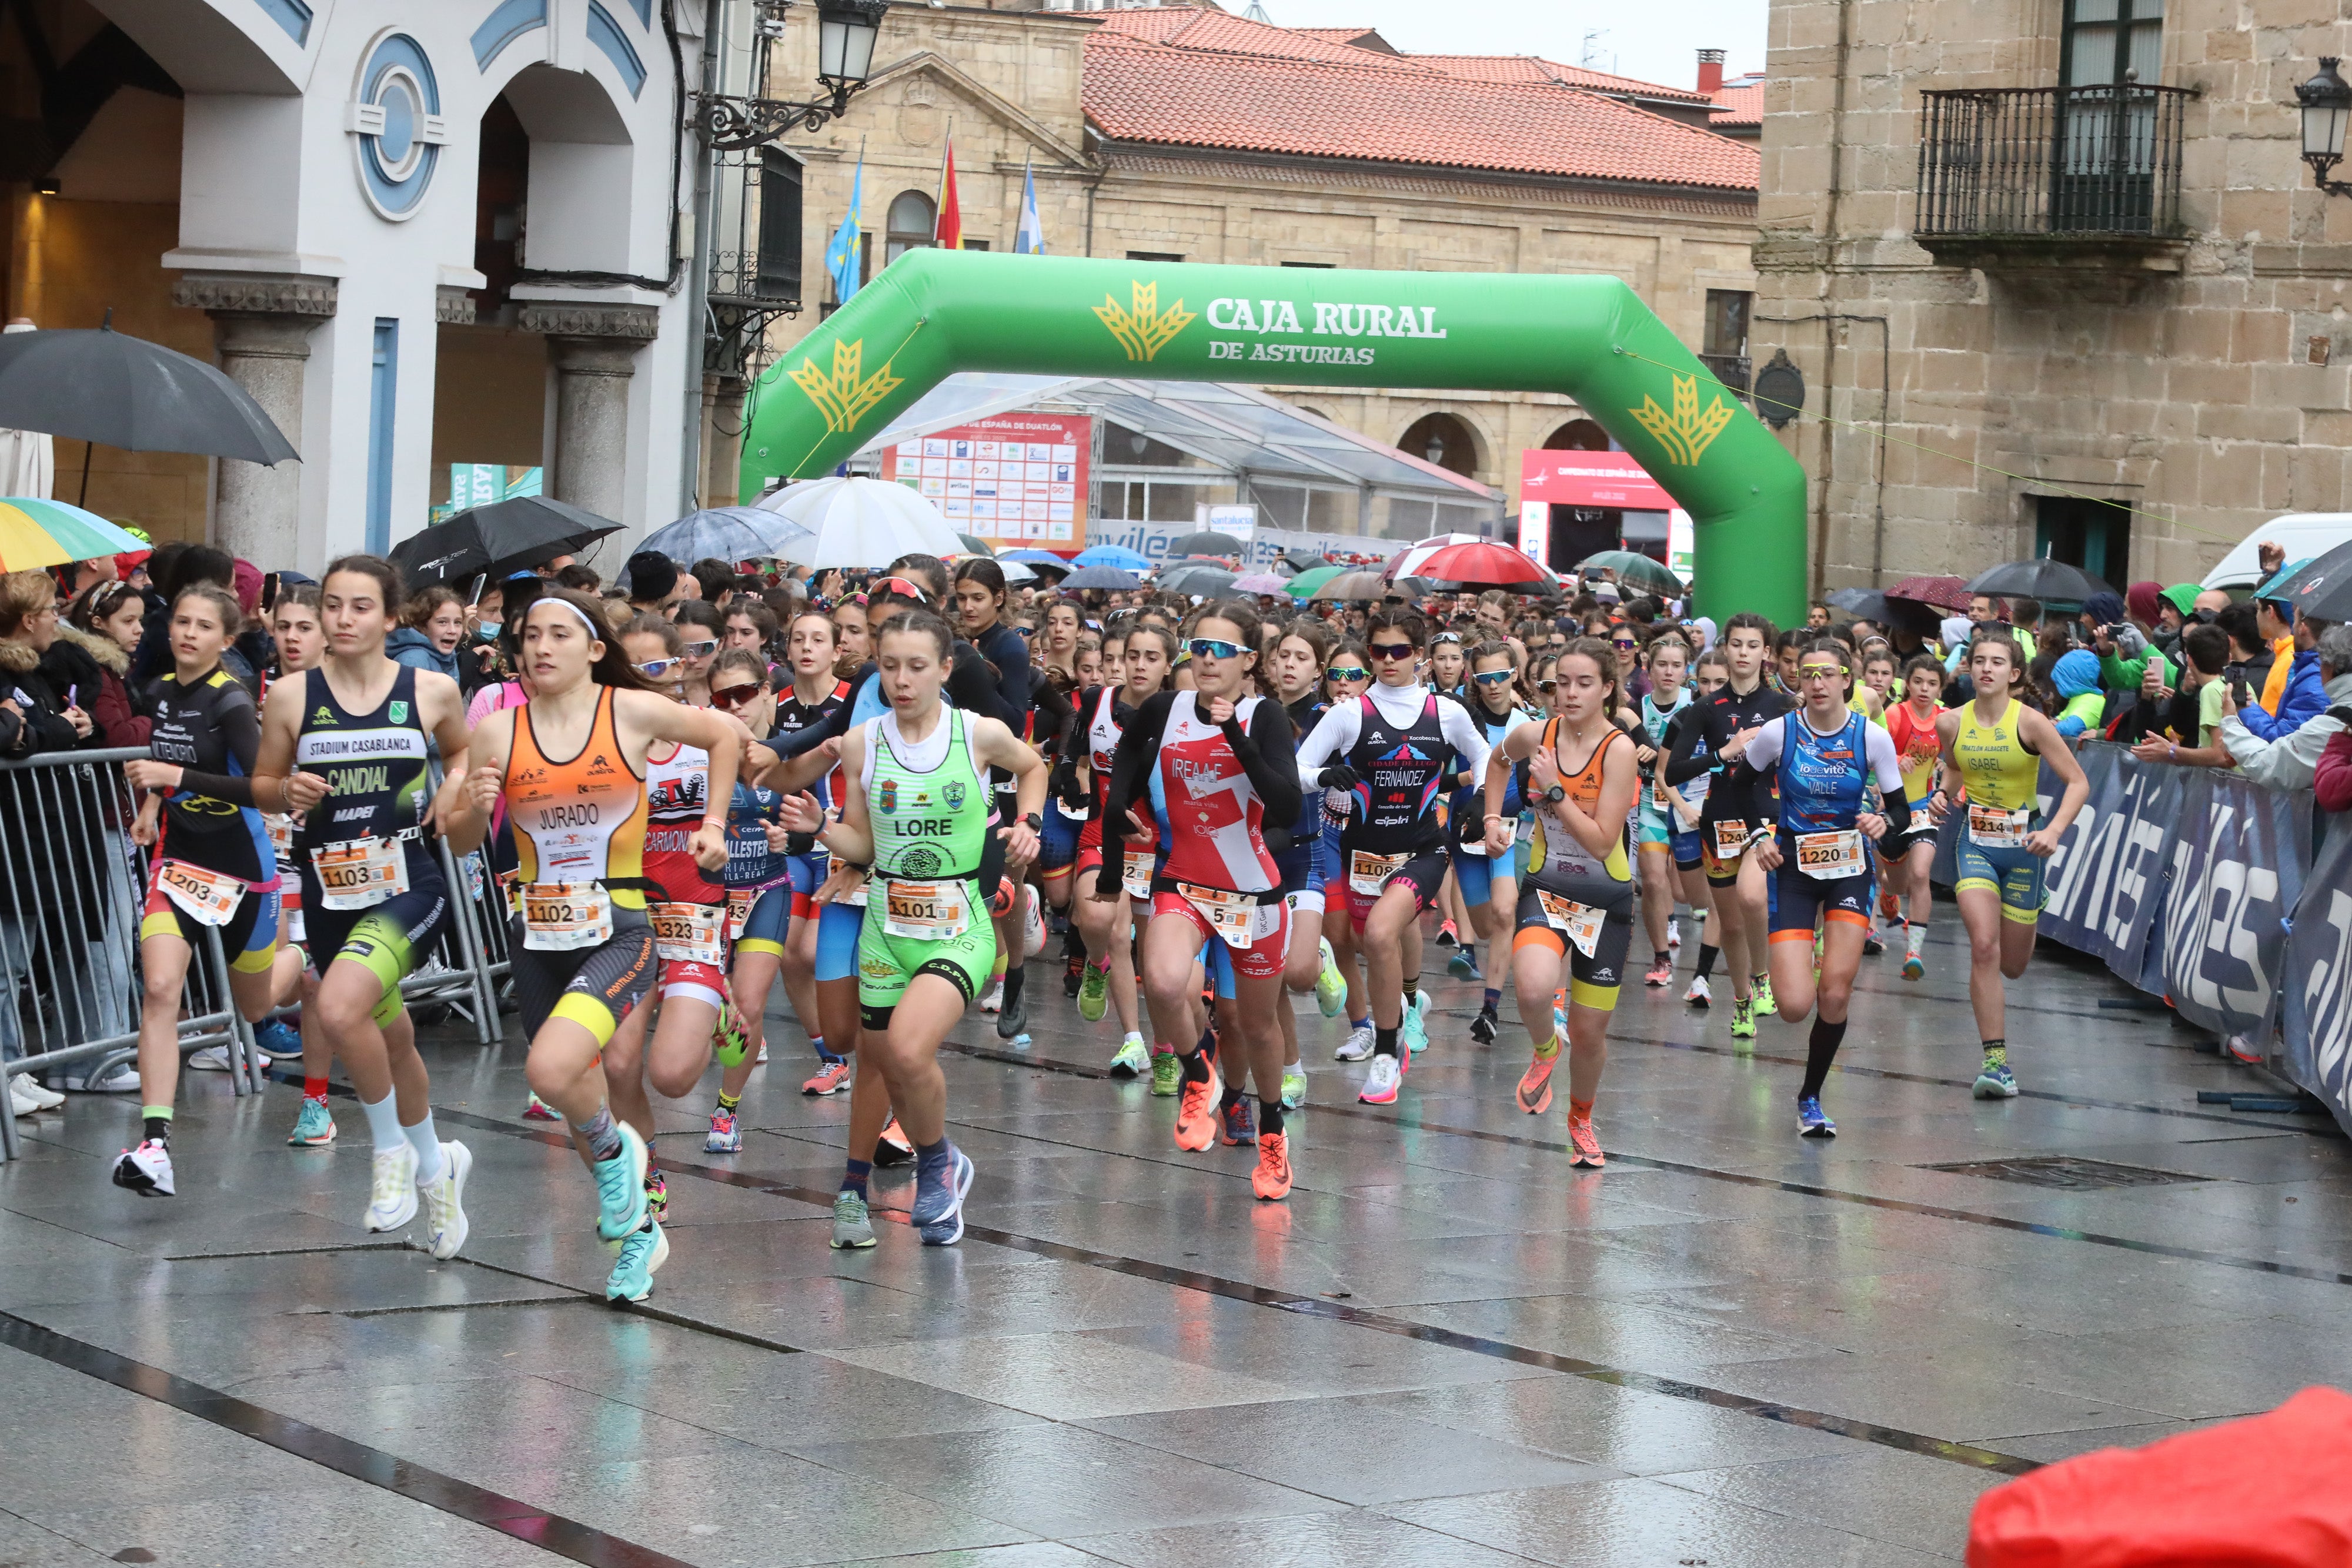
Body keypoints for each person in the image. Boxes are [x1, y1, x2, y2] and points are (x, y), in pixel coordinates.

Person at [442, 588, 739, 1302]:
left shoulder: (629, 711)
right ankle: (638, 1233)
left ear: (594, 651)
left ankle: (620, 1169)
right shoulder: (497, 732)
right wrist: (473, 808)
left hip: (620, 927)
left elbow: (725, 737)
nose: (540, 648)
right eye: (529, 637)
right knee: (576, 1086)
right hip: (538, 933)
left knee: (551, 1069)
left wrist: (717, 823)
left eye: (558, 636)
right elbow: (454, 840)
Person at [776, 608, 1045, 1247]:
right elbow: (862, 845)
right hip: (885, 927)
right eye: (889, 666)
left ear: (945, 669)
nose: (902, 680)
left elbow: (1033, 767)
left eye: (917, 667)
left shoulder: (976, 733)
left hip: (959, 926)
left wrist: (1027, 825)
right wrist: (820, 829)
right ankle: (936, 1166)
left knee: (905, 1049)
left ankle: (935, 1165)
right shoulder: (863, 743)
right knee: (883, 1061)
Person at [250, 556, 473, 1253]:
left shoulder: (430, 690)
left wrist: (453, 787)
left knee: (340, 1008)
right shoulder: (290, 697)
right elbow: (262, 780)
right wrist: (284, 794)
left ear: (390, 616)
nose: (343, 620)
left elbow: (463, 755)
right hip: (329, 892)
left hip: (409, 883)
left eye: (360, 607)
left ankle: (389, 1156)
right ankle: (440, 1171)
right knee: (394, 1037)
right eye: (334, 607)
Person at [1100, 603, 1301, 1198]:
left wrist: (1233, 733)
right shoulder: (1165, 708)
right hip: (1184, 881)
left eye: (1221, 649)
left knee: (1256, 1026)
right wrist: (1119, 811)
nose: (1207, 658)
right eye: (1198, 646)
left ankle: (1270, 1134)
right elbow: (1127, 764)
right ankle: (1197, 1073)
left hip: (1253, 893)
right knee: (1161, 982)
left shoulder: (1265, 717)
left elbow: (1286, 806)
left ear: (1248, 661)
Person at [109, 585, 303, 1195]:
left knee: (252, 1007)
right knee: (162, 988)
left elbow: (268, 789)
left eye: (203, 627)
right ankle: (155, 1144)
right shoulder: (162, 692)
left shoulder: (233, 704)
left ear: (225, 639)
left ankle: (302, 961)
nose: (188, 633)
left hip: (244, 873)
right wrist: (152, 801)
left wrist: (175, 777)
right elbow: (170, 765)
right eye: (182, 622)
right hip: (177, 864)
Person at [1294, 608, 1491, 1105]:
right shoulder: (1349, 714)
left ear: (1420, 657)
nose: (1387, 660)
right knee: (1368, 945)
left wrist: (1482, 801)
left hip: (1424, 849)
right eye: (1378, 651)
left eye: (1399, 651)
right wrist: (1321, 779)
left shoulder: (1446, 712)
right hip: (1360, 854)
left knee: (1382, 933)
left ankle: (1385, 1053)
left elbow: (1487, 754)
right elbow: (1296, 766)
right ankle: (1405, 1004)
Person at [1720, 641, 1915, 1135]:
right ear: (1799, 682)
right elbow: (1737, 787)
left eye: (1828, 674)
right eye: (1809, 674)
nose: (1818, 683)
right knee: (1793, 1007)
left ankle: (1810, 1096)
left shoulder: (1871, 737)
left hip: (1850, 867)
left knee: (1834, 993)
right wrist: (1759, 835)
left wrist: (1880, 821)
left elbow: (1899, 810)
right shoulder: (1779, 732)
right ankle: (1802, 954)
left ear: (1847, 680)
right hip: (1793, 868)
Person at [1479, 636, 1638, 1167]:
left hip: (1606, 899)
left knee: (1591, 1035)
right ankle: (1547, 1048)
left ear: (1607, 689)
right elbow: (1497, 762)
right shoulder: (1536, 734)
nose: (1569, 693)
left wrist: (1551, 791)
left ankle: (1581, 1118)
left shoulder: (1617, 750)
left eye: (1583, 683)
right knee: (1532, 987)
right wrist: (1493, 820)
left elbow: (1601, 840)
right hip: (1547, 888)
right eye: (1560, 682)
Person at [1929, 629, 2090, 1101]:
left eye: (1997, 662)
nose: (1986, 668)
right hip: (1974, 841)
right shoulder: (1950, 722)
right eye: (1979, 659)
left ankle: (2032, 900)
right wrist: (1943, 793)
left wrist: (2054, 830)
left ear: (2014, 674)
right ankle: (1996, 1063)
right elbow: (1955, 766)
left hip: (2025, 846)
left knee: (2015, 965)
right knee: (1983, 946)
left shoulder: (2033, 724)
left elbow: (2077, 782)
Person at [1663, 612, 1789, 1041]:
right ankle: (1741, 1002)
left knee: (1753, 897)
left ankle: (1762, 976)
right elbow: (1674, 771)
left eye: (1753, 646)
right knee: (1730, 923)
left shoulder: (1782, 706)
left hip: (1766, 817)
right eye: (1736, 644)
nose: (1743, 653)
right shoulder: (1704, 708)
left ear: (1766, 654)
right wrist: (1723, 753)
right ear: (1725, 648)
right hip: (1719, 821)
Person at [1069, 623, 1173, 1079]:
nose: (1138, 665)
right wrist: (1071, 782)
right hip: (1101, 830)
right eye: (1132, 655)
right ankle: (1103, 980)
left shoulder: (1178, 714)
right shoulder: (1097, 702)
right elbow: (1078, 755)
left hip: (1156, 841)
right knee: (1098, 921)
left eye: (1152, 657)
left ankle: (1165, 1048)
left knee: (1156, 962)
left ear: (1169, 666)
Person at [951, 559, 1039, 1038]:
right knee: (981, 893)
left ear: (999, 598)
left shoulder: (1009, 646)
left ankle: (1017, 976)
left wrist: (976, 676)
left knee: (1010, 883)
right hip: (959, 777)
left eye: (978, 598)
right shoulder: (951, 642)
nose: (968, 606)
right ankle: (986, 969)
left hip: (1004, 780)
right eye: (961, 597)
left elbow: (1017, 720)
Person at [1450, 639, 1533, 1039]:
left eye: (1502, 675)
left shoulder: (1527, 725)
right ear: (1474, 680)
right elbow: (1443, 776)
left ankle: (1490, 1008)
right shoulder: (1459, 719)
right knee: (1485, 926)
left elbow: (1529, 785)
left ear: (1515, 673)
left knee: (1504, 913)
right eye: (1485, 678)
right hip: (1466, 834)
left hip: (1508, 829)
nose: (1495, 685)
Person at [1656, 647, 1728, 1007]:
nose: (1711, 690)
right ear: (1693, 682)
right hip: (1686, 815)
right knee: (1689, 897)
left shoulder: (1739, 718)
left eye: (1720, 682)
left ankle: (1701, 977)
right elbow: (1661, 772)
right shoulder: (1684, 718)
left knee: (1719, 901)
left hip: (1725, 818)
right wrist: (1683, 808)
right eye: (1704, 682)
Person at [2219, 624, 2352, 793]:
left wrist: (2230, 722)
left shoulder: (2333, 723)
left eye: (2321, 662)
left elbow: (2271, 765)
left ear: (2330, 666)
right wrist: (2248, 708)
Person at [1633, 631, 1695, 988]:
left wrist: (1659, 755)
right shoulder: (1636, 708)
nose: (1669, 672)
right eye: (1662, 665)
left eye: (1676, 666)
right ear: (1649, 668)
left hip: (1690, 807)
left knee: (1686, 894)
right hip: (1651, 807)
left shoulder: (1696, 705)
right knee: (1654, 881)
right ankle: (1661, 957)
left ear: (1687, 671)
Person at [1882, 654, 1945, 980]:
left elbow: (1958, 759)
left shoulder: (1946, 719)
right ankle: (1888, 892)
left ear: (1940, 689)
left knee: (1921, 874)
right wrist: (1896, 758)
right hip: (1891, 809)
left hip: (1923, 809)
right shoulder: (1895, 714)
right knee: (1898, 881)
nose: (1924, 689)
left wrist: (1949, 790)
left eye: (1932, 684)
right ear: (1907, 684)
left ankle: (1914, 953)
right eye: (1918, 681)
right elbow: (1871, 751)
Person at [63, 579, 150, 748]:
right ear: (97, 622)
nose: (139, 629)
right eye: (128, 621)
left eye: (140, 620)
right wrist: (149, 723)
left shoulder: (113, 666)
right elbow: (118, 738)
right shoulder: (94, 668)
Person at [389, 586, 466, 684]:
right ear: (423, 626)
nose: (453, 630)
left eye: (458, 622)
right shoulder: (413, 660)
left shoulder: (448, 655)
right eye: (442, 622)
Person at [672, 600, 726, 707]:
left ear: (720, 643)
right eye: (684, 649)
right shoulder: (667, 691)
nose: (692, 659)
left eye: (703, 648)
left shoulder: (736, 689)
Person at [625, 553, 686, 618]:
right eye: (684, 590)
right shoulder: (644, 626)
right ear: (670, 589)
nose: (685, 596)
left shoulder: (618, 617)